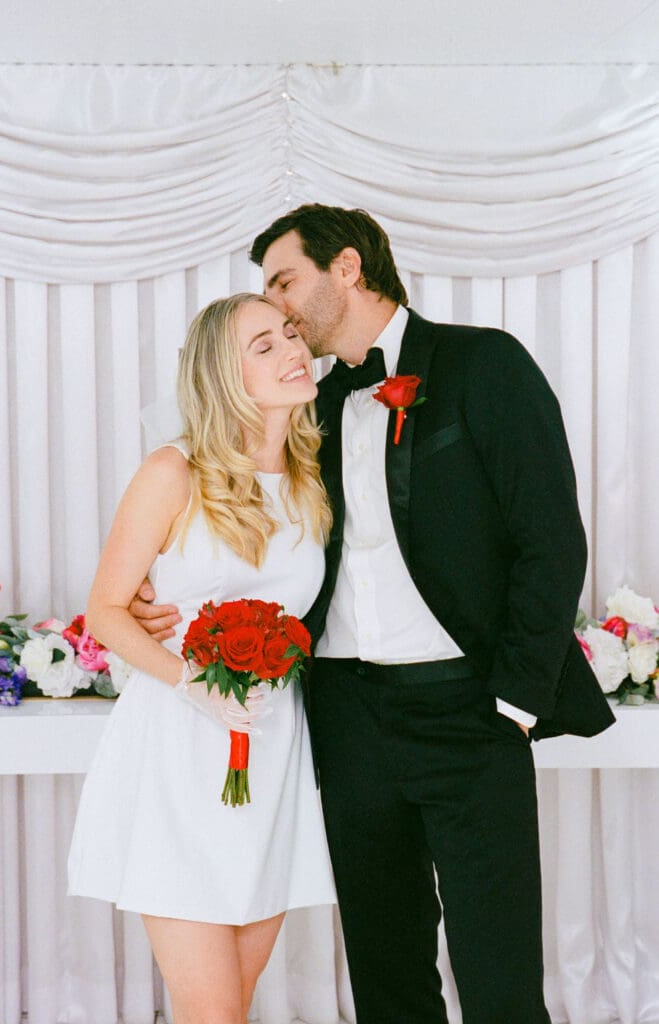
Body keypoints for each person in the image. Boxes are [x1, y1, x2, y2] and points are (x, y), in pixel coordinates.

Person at [131, 205, 615, 1024]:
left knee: (497, 975)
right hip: (347, 712)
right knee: (385, 972)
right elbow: (236, 518)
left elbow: (551, 540)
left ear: (347, 268)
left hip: (472, 708)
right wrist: (157, 600)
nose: (279, 308)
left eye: (285, 281)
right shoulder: (303, 405)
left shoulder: (483, 363)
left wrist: (514, 704)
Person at [67, 293, 336, 1024]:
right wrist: (192, 684)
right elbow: (108, 610)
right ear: (224, 375)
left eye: (289, 333)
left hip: (274, 751)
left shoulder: (313, 479)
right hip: (180, 753)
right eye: (262, 345)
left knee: (225, 1010)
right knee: (214, 1014)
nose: (290, 349)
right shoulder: (173, 471)